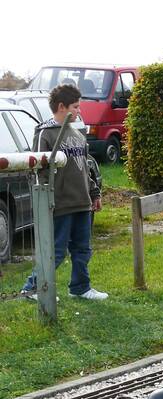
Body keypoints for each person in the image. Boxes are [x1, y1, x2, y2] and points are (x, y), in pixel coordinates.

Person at [21, 84, 107, 301]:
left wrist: (94, 194)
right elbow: (38, 170)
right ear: (62, 106)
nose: (79, 111)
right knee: (56, 251)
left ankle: (80, 287)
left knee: (83, 249)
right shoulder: (45, 133)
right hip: (59, 204)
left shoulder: (77, 135)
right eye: (76, 107)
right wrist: (46, 200)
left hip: (82, 202)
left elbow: (84, 168)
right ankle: (33, 288)